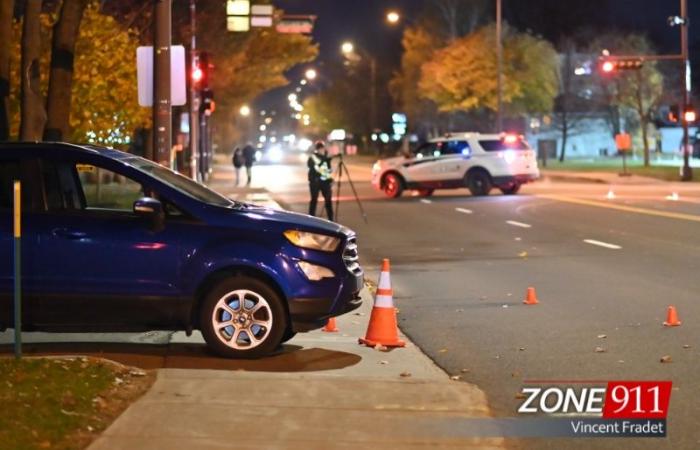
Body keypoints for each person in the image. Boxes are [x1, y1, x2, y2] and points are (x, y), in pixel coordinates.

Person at [308, 140, 334, 221]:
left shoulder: (326, 157)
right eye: (320, 148)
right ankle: (311, 219)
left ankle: (331, 219)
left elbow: (328, 170)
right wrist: (324, 159)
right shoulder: (312, 157)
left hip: (325, 182)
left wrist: (330, 179)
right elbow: (314, 168)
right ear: (317, 149)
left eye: (323, 148)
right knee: (314, 200)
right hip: (315, 182)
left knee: (328, 201)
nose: (322, 150)